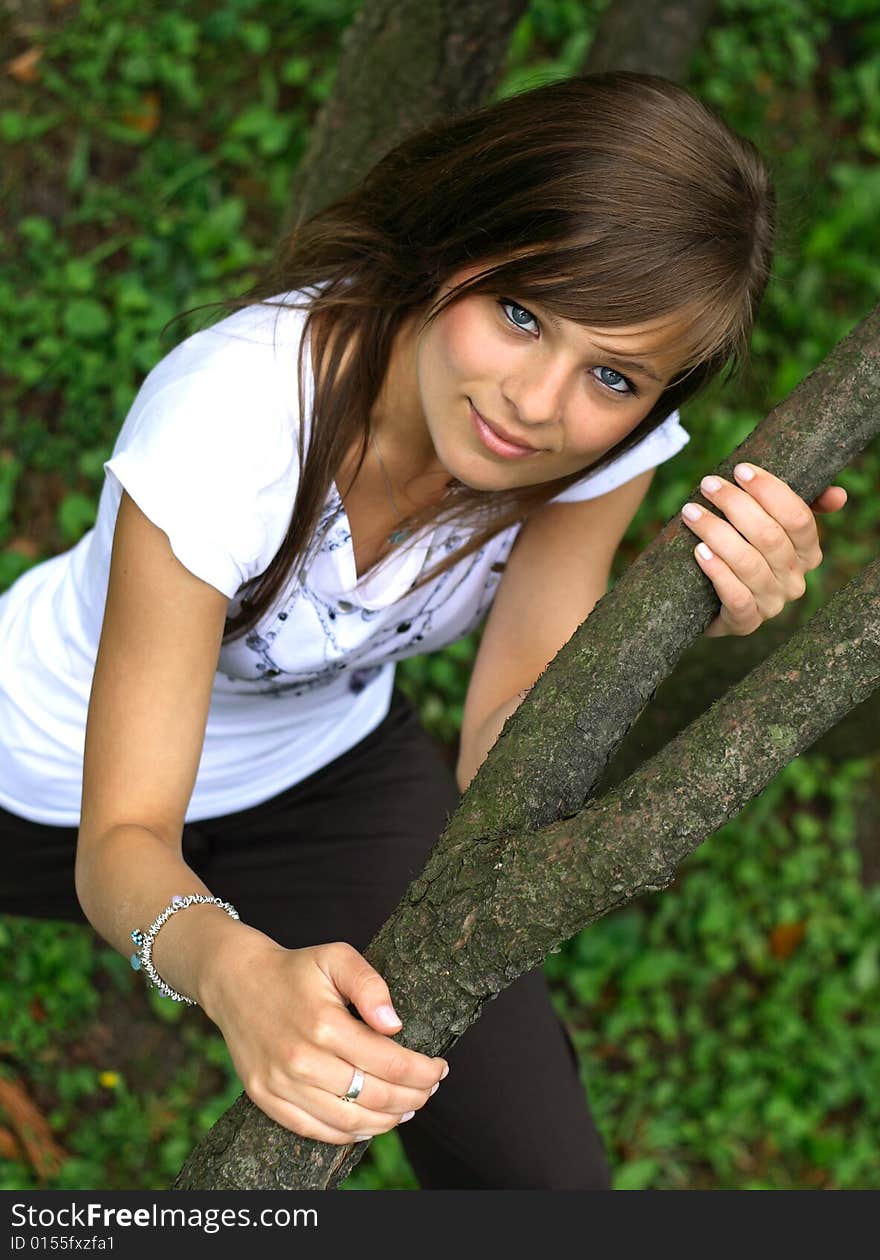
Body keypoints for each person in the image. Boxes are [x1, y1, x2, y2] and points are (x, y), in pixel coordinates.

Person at [0, 72, 846, 1190]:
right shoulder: (231, 421)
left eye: (610, 373)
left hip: (328, 773)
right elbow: (121, 842)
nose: (537, 406)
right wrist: (232, 972)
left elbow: (509, 754)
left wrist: (684, 612)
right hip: (39, 768)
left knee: (542, 1183)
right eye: (518, 312)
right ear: (456, 247)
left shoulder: (594, 458)